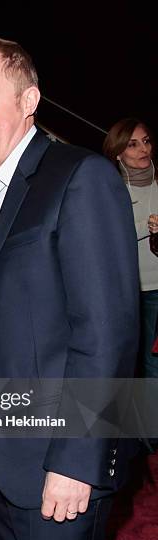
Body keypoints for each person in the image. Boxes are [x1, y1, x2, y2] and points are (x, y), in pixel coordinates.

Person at [0, 36, 140, 540]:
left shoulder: (80, 176)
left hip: (58, 460)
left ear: (29, 98)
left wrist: (75, 462)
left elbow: (106, 334)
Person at [103, 118, 158, 377]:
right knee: (137, 361)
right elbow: (105, 240)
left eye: (146, 141)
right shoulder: (111, 191)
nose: (143, 150)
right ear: (118, 153)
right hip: (131, 293)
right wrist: (145, 227)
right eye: (133, 145)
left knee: (153, 361)